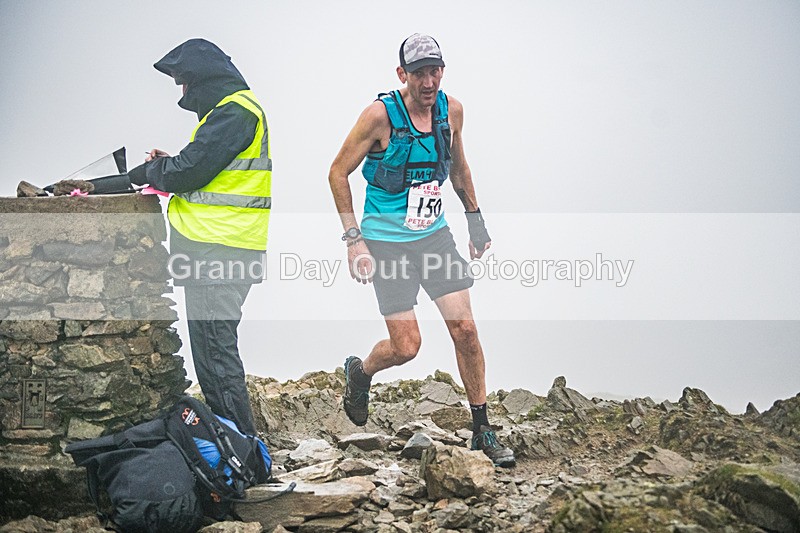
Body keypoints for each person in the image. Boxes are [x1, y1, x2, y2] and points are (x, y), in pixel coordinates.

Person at [328, 34, 515, 467]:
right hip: (386, 242)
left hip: (433, 235)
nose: (428, 82)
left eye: (435, 72)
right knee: (407, 346)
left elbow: (459, 168)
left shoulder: (452, 112)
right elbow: (337, 172)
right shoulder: (379, 117)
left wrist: (475, 220)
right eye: (419, 74)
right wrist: (354, 240)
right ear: (402, 74)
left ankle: (482, 429)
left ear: (442, 71)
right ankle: (361, 372)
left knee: (465, 329)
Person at [128, 39, 271, 435]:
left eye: (184, 82)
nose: (183, 92)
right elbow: (205, 168)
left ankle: (243, 452)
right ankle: (240, 446)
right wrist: (170, 164)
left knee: (215, 356)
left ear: (203, 78)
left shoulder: (234, 113)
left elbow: (188, 172)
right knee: (215, 353)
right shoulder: (235, 111)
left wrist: (150, 172)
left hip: (217, 250)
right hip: (224, 247)